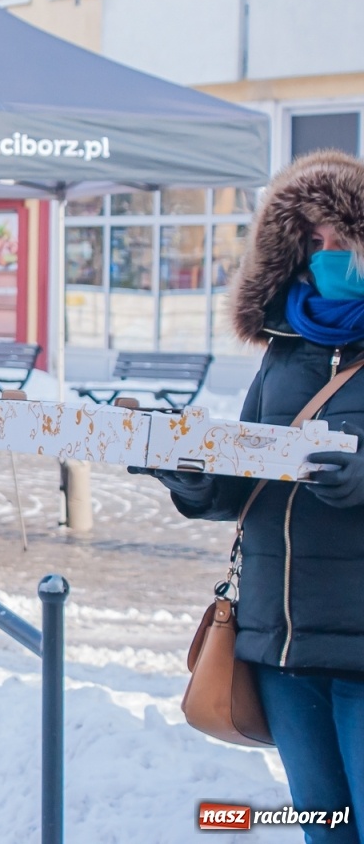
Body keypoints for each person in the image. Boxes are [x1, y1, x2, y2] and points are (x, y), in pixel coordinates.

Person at [142, 151, 364, 844]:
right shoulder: (285, 350)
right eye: (313, 241)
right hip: (280, 646)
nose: (328, 255)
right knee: (324, 828)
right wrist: (196, 480)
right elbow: (247, 475)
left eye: (344, 240)